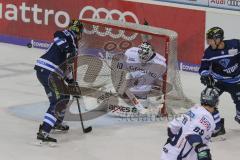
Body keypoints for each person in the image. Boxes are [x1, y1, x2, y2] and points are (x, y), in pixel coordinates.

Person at [34, 19, 83, 143]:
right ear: (80, 33)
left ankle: (56, 123)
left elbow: (67, 66)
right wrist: (68, 49)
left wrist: (71, 82)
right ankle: (44, 131)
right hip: (49, 71)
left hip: (44, 71)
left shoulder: (72, 45)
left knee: (65, 96)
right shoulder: (69, 36)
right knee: (58, 101)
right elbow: (57, 36)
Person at [160, 87, 219, 160]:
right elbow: (193, 136)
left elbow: (171, 127)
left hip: (168, 153)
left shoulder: (193, 110)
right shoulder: (207, 117)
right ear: (216, 102)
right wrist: (203, 154)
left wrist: (173, 141)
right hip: (180, 156)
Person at [199, 27, 240, 130]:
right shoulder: (208, 52)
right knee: (207, 100)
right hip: (218, 82)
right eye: (207, 39)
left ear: (218, 39)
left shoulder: (235, 44)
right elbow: (203, 67)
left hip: (236, 82)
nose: (208, 42)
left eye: (210, 39)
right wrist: (205, 75)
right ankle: (218, 127)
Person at [112, 42, 167, 115]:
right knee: (118, 89)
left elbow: (159, 82)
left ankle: (150, 105)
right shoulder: (130, 53)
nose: (142, 59)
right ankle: (129, 97)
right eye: (140, 57)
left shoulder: (160, 64)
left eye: (144, 57)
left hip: (148, 83)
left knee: (154, 99)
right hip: (133, 79)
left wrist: (156, 90)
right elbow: (121, 67)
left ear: (150, 54)